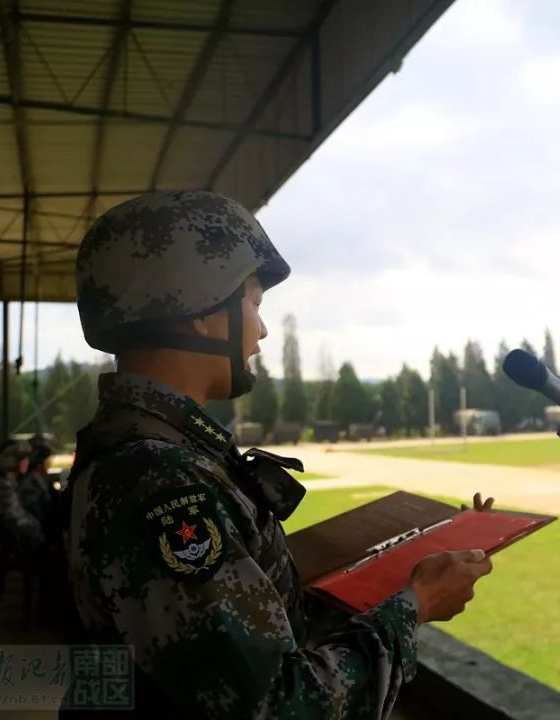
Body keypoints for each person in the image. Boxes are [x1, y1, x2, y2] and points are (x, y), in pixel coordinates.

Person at [63, 190, 495, 717]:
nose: (262, 330)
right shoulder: (161, 480)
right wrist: (416, 606)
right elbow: (278, 704)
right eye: (253, 303)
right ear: (202, 308)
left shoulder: (152, 452)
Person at [0, 438, 45, 561]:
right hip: (4, 543)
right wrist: (40, 531)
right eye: (22, 458)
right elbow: (14, 519)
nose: (26, 461)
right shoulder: (2, 487)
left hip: (9, 540)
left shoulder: (8, 484)